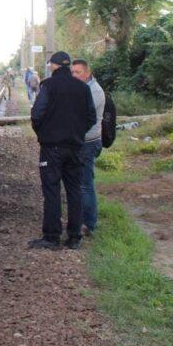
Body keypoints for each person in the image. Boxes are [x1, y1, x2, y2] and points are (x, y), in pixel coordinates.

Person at [28, 52, 97, 250]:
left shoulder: (48, 86)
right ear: (68, 66)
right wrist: (77, 133)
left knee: (52, 190)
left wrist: (43, 134)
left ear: (53, 66)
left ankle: (52, 236)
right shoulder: (83, 88)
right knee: (74, 190)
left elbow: (37, 114)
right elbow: (91, 117)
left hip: (52, 147)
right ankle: (74, 237)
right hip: (76, 147)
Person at [72, 59, 105, 236]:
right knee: (80, 182)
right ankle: (81, 219)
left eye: (78, 72)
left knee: (85, 184)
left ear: (87, 73)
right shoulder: (84, 89)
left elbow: (80, 114)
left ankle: (89, 223)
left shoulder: (94, 91)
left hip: (89, 142)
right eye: (73, 72)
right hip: (82, 140)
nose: (74, 75)